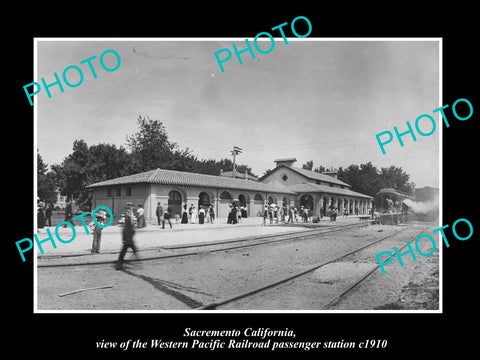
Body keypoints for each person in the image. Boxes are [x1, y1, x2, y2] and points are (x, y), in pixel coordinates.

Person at [115, 205, 139, 270]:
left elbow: (123, 233)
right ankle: (138, 262)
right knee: (135, 252)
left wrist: (123, 240)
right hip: (131, 242)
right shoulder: (130, 225)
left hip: (126, 242)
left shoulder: (126, 226)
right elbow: (133, 232)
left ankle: (119, 266)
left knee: (122, 254)